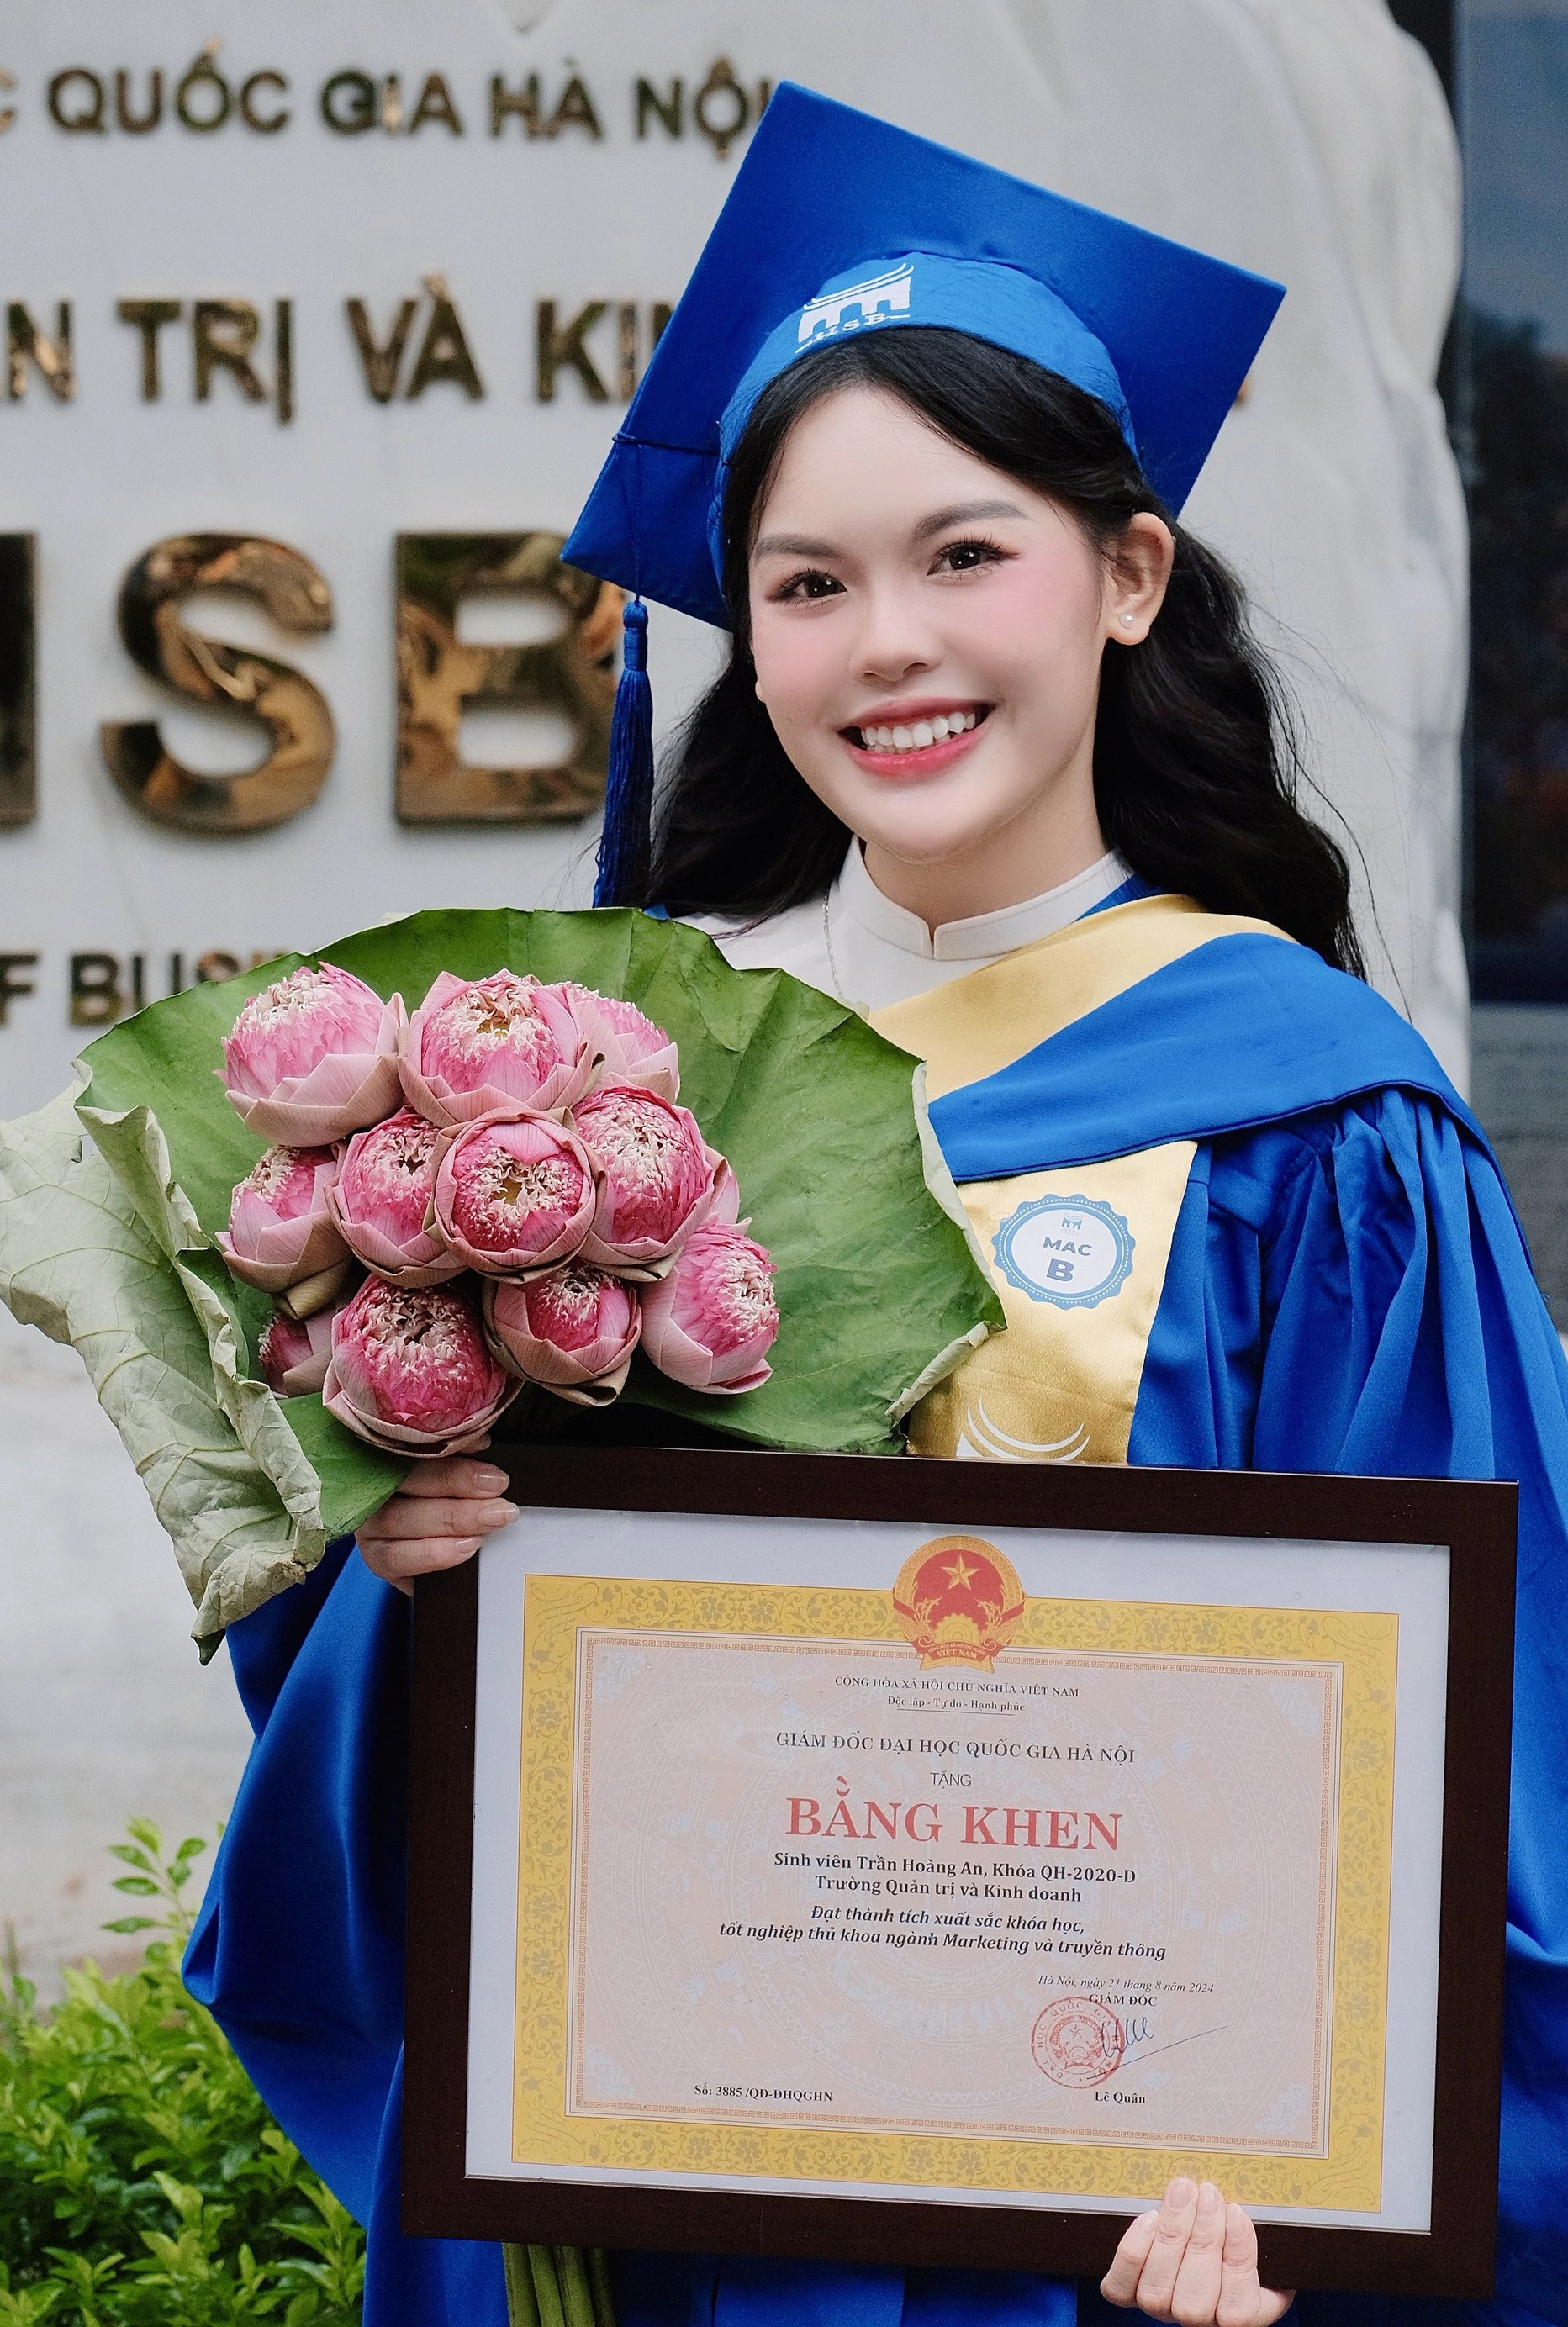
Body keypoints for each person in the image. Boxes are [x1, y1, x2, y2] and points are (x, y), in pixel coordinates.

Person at [185, 86, 1568, 2327]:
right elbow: (397, 1749)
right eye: (808, 586)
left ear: (1125, 576)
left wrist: (1312, 2165)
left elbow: (1482, 1756)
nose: (886, 645)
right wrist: (402, 1556)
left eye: (965, 555)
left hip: (1107, 2220)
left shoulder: (1311, 1118)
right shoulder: (603, 1087)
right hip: (665, 2190)